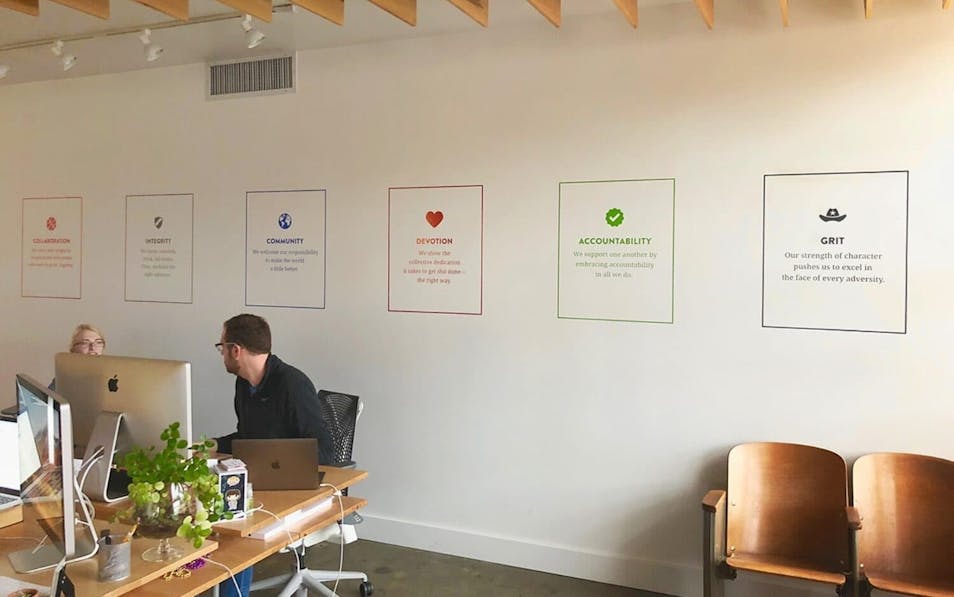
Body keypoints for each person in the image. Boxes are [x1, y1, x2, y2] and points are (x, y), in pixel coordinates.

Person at [213, 313, 332, 597]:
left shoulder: (293, 384)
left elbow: (325, 451)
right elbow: (248, 437)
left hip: (300, 490)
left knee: (238, 525)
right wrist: (213, 444)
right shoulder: (244, 384)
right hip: (262, 483)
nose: (221, 354)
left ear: (236, 350)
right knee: (222, 511)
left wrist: (277, 458)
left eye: (222, 347)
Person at [50, 323, 106, 390]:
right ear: (73, 350)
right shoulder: (63, 379)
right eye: (85, 343)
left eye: (98, 342)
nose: (93, 347)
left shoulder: (112, 375)